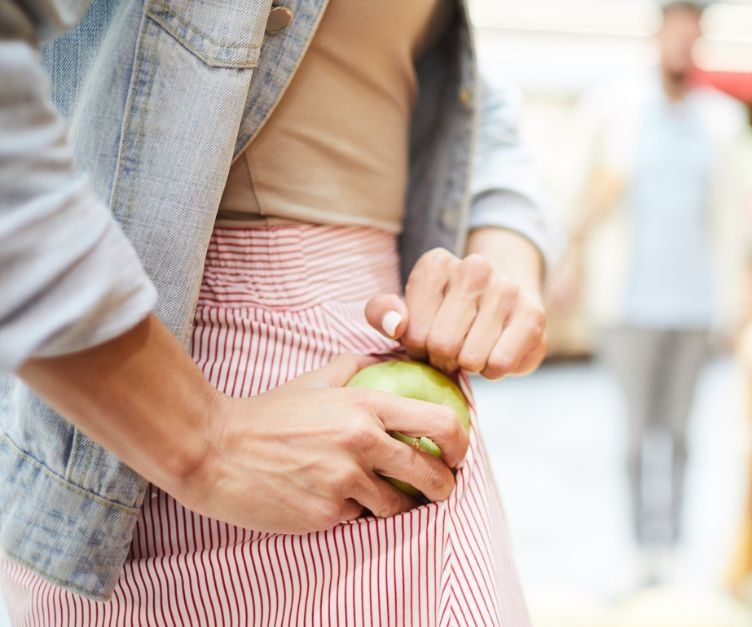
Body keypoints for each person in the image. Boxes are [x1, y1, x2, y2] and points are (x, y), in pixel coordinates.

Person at [0, 0, 556, 624]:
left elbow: (476, 103)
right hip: (160, 411)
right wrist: (200, 439)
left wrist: (504, 266)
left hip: (387, 428)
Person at [556, 0, 749, 585]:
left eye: (692, 35)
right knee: (640, 434)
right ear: (657, 36)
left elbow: (732, 222)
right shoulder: (613, 109)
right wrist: (570, 264)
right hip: (629, 304)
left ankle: (675, 546)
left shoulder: (722, 121)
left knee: (684, 433)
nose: (681, 46)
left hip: (694, 305)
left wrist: (734, 304)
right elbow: (579, 192)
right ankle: (644, 550)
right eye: (674, 33)